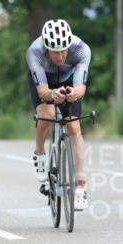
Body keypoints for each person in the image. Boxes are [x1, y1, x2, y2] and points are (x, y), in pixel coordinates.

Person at [26, 18, 91, 211]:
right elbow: (43, 91)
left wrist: (74, 93)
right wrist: (54, 95)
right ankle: (39, 152)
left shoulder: (81, 49)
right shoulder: (34, 51)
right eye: (55, 51)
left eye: (64, 50)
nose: (61, 56)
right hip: (44, 81)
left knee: (73, 125)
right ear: (46, 48)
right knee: (47, 112)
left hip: (69, 77)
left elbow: (81, 87)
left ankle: (80, 183)